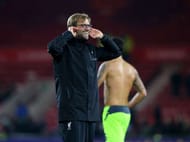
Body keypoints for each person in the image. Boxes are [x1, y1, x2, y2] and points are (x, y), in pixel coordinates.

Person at [47, 13, 121, 142]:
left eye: (89, 25)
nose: (87, 28)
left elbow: (115, 53)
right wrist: (68, 34)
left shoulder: (90, 50)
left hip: (90, 114)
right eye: (83, 25)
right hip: (72, 112)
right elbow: (52, 47)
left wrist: (103, 37)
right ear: (73, 28)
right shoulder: (64, 50)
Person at [97, 37, 147, 142]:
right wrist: (128, 106)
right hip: (125, 113)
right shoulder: (132, 69)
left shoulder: (106, 66)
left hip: (111, 111)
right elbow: (143, 92)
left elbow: (93, 87)